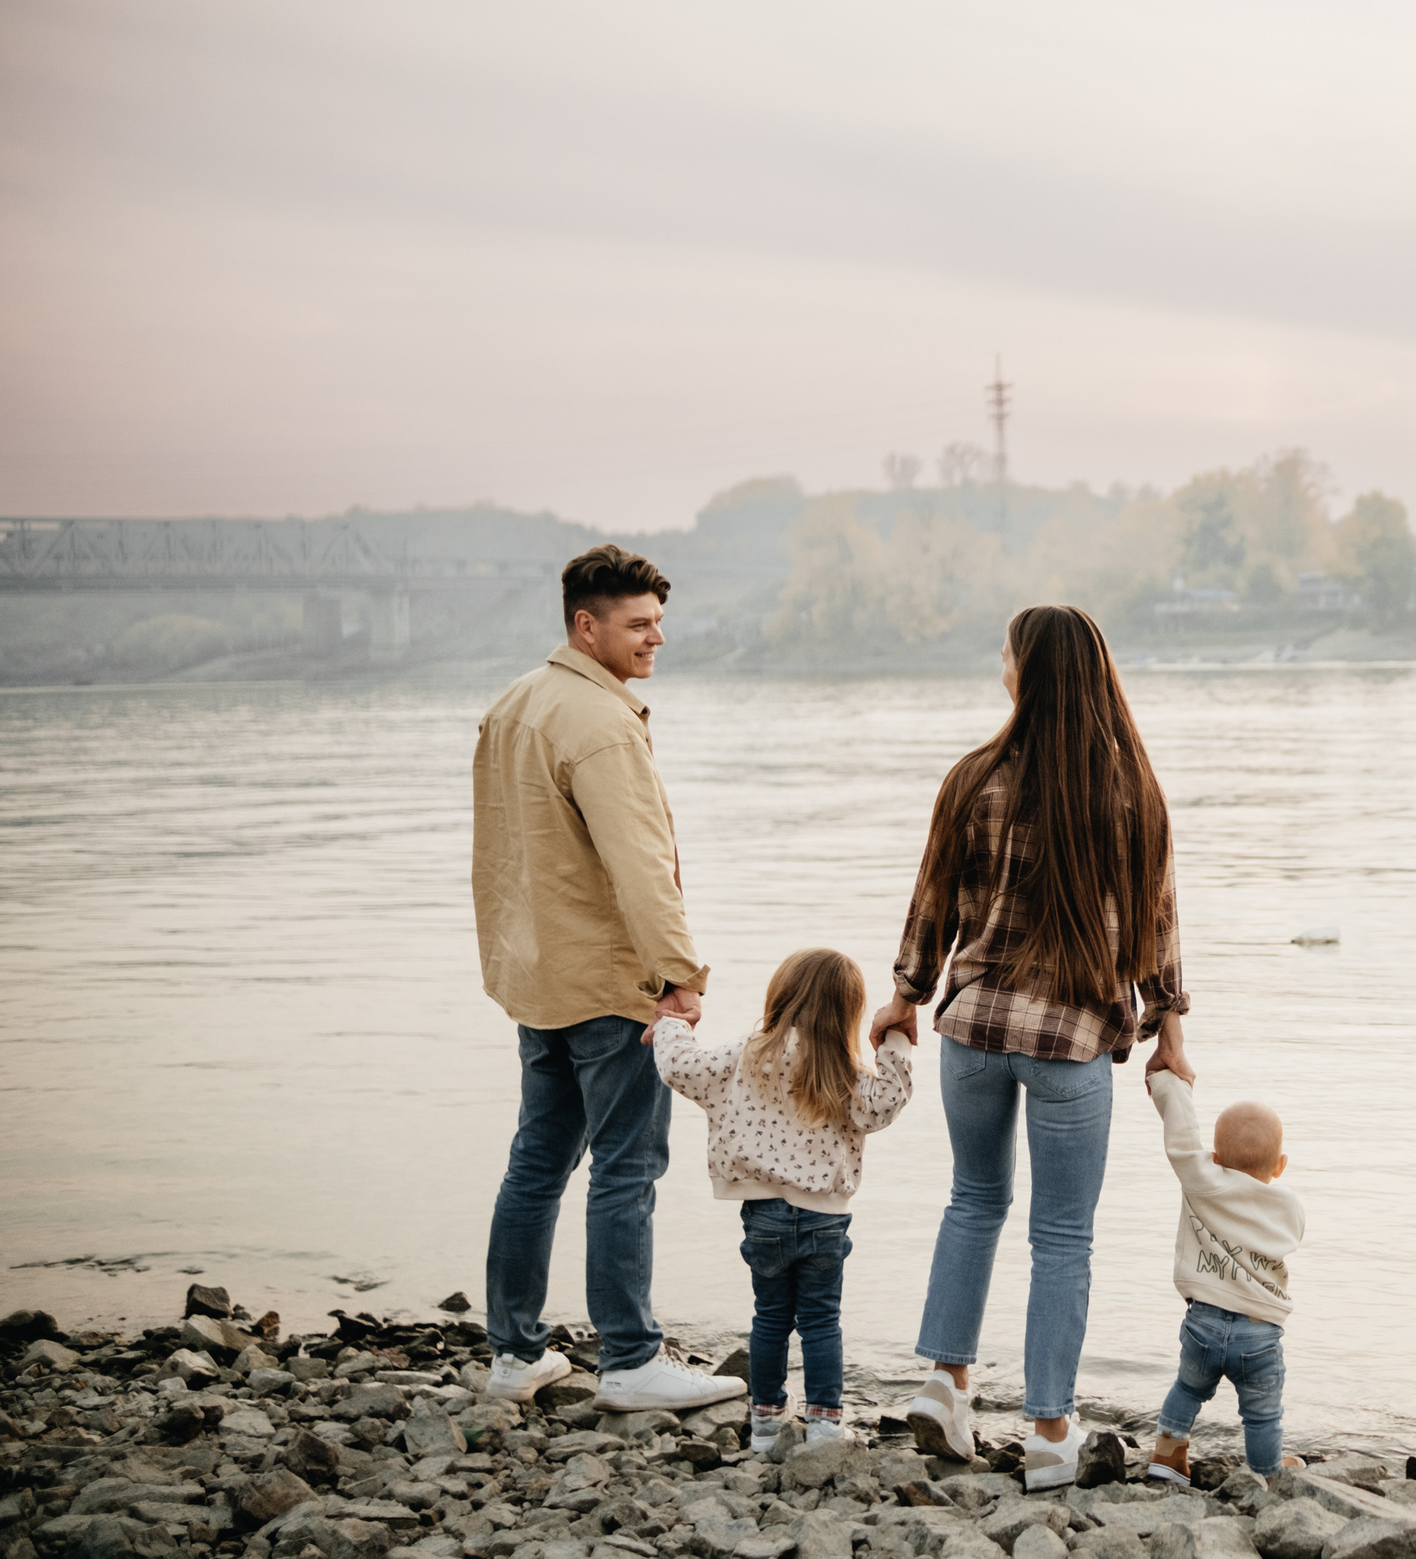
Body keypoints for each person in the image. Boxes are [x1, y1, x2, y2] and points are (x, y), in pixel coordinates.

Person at [872, 604, 1191, 1492]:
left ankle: (947, 1380)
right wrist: (1171, 1024)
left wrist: (905, 992)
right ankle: (1049, 1431)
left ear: (1026, 671)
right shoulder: (1131, 789)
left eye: (1006, 653)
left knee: (972, 1201)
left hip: (971, 1030)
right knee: (1062, 1235)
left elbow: (931, 900)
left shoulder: (973, 775)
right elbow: (1159, 922)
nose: (1001, 665)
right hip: (1071, 1038)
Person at [470, 544, 746, 1413]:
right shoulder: (600, 722)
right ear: (585, 626)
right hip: (608, 984)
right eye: (637, 623)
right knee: (628, 1167)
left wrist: (509, 961)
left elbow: (499, 856)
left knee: (538, 1160)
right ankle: (629, 1359)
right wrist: (677, 978)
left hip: (536, 975)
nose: (655, 637)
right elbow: (639, 864)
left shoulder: (513, 704)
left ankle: (515, 1353)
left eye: (658, 621)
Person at [656, 947, 914, 1452]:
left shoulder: (747, 1054)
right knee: (821, 1321)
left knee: (770, 1317)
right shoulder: (842, 1068)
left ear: (780, 997)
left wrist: (672, 1023)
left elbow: (681, 1068)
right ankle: (823, 1423)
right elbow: (887, 1102)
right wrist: (897, 1040)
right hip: (825, 1220)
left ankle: (768, 1422)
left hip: (764, 1214)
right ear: (849, 1014)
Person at [1143, 1080, 1303, 1483]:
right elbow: (1294, 1238)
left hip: (1203, 1324)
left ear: (1214, 1158)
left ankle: (1167, 1457)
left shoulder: (1203, 1182)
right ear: (1280, 1165)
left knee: (1187, 1389)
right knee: (1262, 1412)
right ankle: (1265, 1472)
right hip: (1259, 1335)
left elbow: (1181, 1138)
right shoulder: (1288, 1207)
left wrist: (1168, 1084)